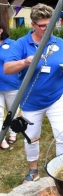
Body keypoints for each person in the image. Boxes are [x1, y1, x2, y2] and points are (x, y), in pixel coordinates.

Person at [4, 3, 63, 183]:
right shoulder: (22, 43)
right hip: (31, 101)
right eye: (42, 25)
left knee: (62, 134)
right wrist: (25, 62)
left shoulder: (58, 42)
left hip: (56, 97)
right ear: (33, 25)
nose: (47, 29)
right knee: (32, 137)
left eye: (50, 25)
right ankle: (33, 170)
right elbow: (7, 68)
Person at [0, 22, 19, 150]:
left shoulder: (13, 44)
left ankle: (13, 133)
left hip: (12, 84)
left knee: (13, 112)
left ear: (0, 30)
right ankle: (1, 139)